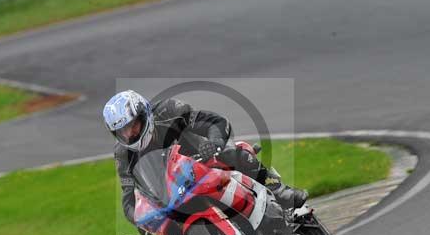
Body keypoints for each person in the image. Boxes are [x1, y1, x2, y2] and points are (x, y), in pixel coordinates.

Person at [103, 90, 308, 227]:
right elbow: (128, 196)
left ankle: (278, 189)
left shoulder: (168, 110)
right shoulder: (123, 154)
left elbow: (215, 121)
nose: (130, 134)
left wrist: (215, 143)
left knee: (231, 153)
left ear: (144, 114)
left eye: (133, 125)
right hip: (171, 192)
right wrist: (140, 219)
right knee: (168, 226)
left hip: (202, 157)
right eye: (122, 131)